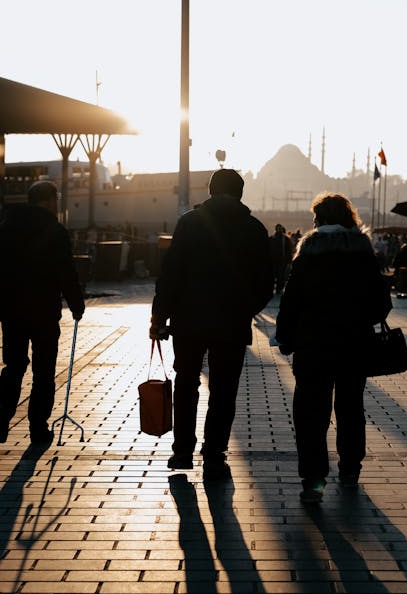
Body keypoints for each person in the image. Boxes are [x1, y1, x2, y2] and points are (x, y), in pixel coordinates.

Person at [150, 168, 273, 478]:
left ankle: (182, 452)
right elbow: (266, 283)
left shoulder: (189, 224)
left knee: (187, 383)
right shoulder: (254, 229)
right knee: (223, 390)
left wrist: (159, 316)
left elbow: (171, 274)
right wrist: (245, 309)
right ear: (241, 193)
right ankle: (214, 453)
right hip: (231, 323)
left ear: (210, 190)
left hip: (188, 320)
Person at [276, 192, 392, 503]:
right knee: (351, 408)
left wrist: (285, 337)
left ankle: (314, 480)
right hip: (354, 345)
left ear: (321, 220)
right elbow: (381, 303)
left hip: (313, 345)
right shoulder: (363, 252)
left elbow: (291, 301)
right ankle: (350, 470)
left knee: (311, 412)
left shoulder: (308, 252)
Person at [0, 181, 85, 444]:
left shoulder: (6, 227)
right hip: (44, 311)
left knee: (13, 365)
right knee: (44, 370)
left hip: (12, 310)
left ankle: (0, 419)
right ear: (49, 201)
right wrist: (76, 303)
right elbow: (65, 271)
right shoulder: (54, 230)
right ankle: (38, 427)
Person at [269, 223, 294, 294]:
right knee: (278, 275)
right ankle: (278, 288)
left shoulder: (273, 238)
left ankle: (278, 288)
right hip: (277, 259)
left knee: (279, 275)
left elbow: (289, 250)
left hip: (280, 260)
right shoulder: (285, 239)